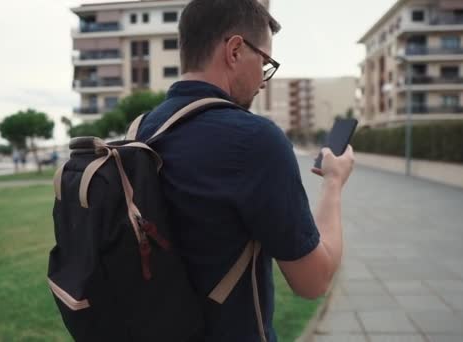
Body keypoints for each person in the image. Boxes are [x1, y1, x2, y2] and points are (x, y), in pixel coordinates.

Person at [134, 1, 355, 341]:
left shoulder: (141, 131)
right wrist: (334, 183)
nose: (264, 80)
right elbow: (314, 281)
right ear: (235, 50)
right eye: (265, 62)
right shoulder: (254, 140)